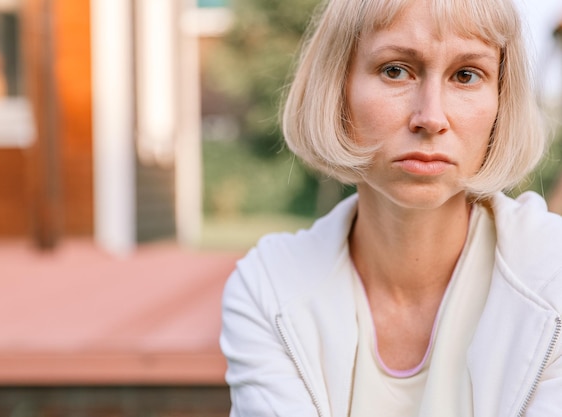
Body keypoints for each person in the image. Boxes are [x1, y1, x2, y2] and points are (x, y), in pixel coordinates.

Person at [220, 0, 562, 415]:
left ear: (500, 101)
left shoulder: (551, 276)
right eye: (395, 70)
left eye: (466, 75)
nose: (430, 117)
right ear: (338, 87)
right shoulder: (268, 289)